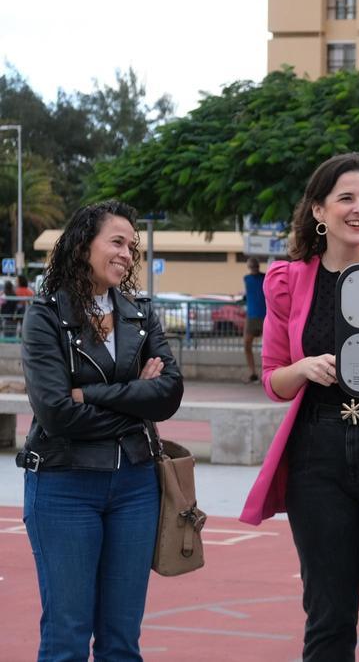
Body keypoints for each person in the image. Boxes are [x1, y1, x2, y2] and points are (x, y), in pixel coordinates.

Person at [17, 199, 183, 660]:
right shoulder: (47, 314)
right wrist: (135, 395)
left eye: (132, 246)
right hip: (64, 483)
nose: (127, 253)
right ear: (82, 245)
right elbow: (55, 413)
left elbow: (169, 394)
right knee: (67, 635)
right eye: (116, 241)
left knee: (121, 640)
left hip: (135, 484)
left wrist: (90, 394)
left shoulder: (140, 314)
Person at [239, 152, 359, 660]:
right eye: (346, 198)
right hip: (316, 455)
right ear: (319, 211)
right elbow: (274, 380)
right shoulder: (288, 280)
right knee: (328, 612)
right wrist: (303, 369)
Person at [243, 256, 266, 383]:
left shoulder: (263, 277)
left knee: (266, 347)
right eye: (252, 267)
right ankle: (253, 373)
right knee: (247, 345)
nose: (254, 269)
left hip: (262, 316)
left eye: (254, 266)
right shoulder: (247, 279)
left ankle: (263, 373)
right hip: (254, 316)